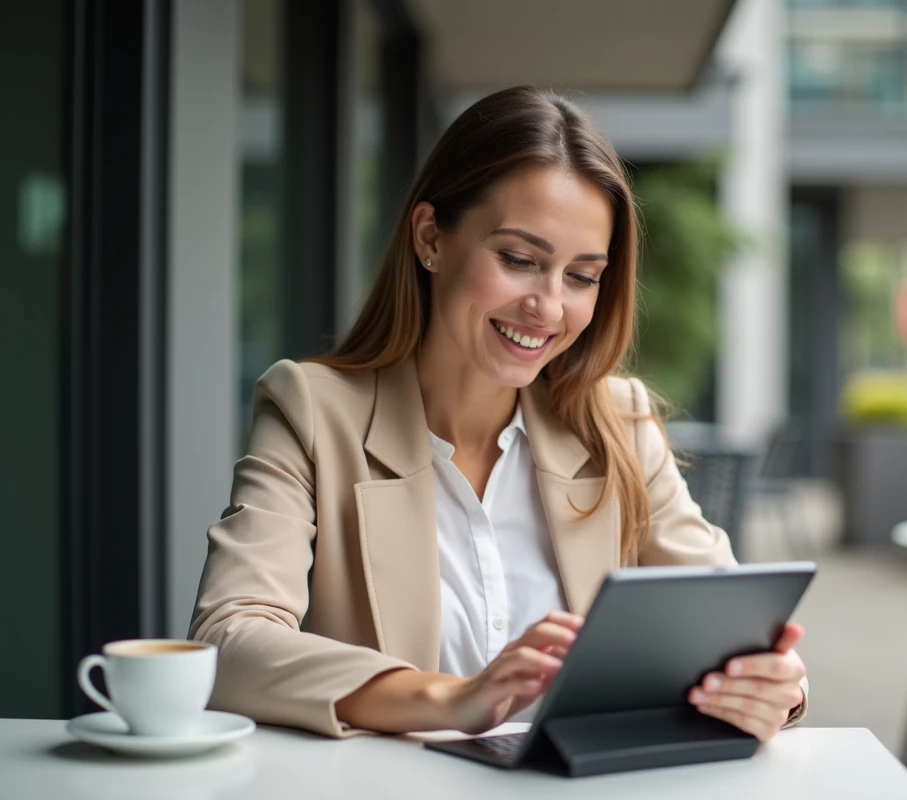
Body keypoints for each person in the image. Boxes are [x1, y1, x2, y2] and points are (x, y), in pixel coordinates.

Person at [190, 86, 808, 741]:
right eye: (519, 260)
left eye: (582, 276)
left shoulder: (618, 423)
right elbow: (229, 640)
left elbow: (736, 622)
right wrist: (451, 698)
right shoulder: (312, 412)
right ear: (430, 237)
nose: (548, 307)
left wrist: (776, 686)